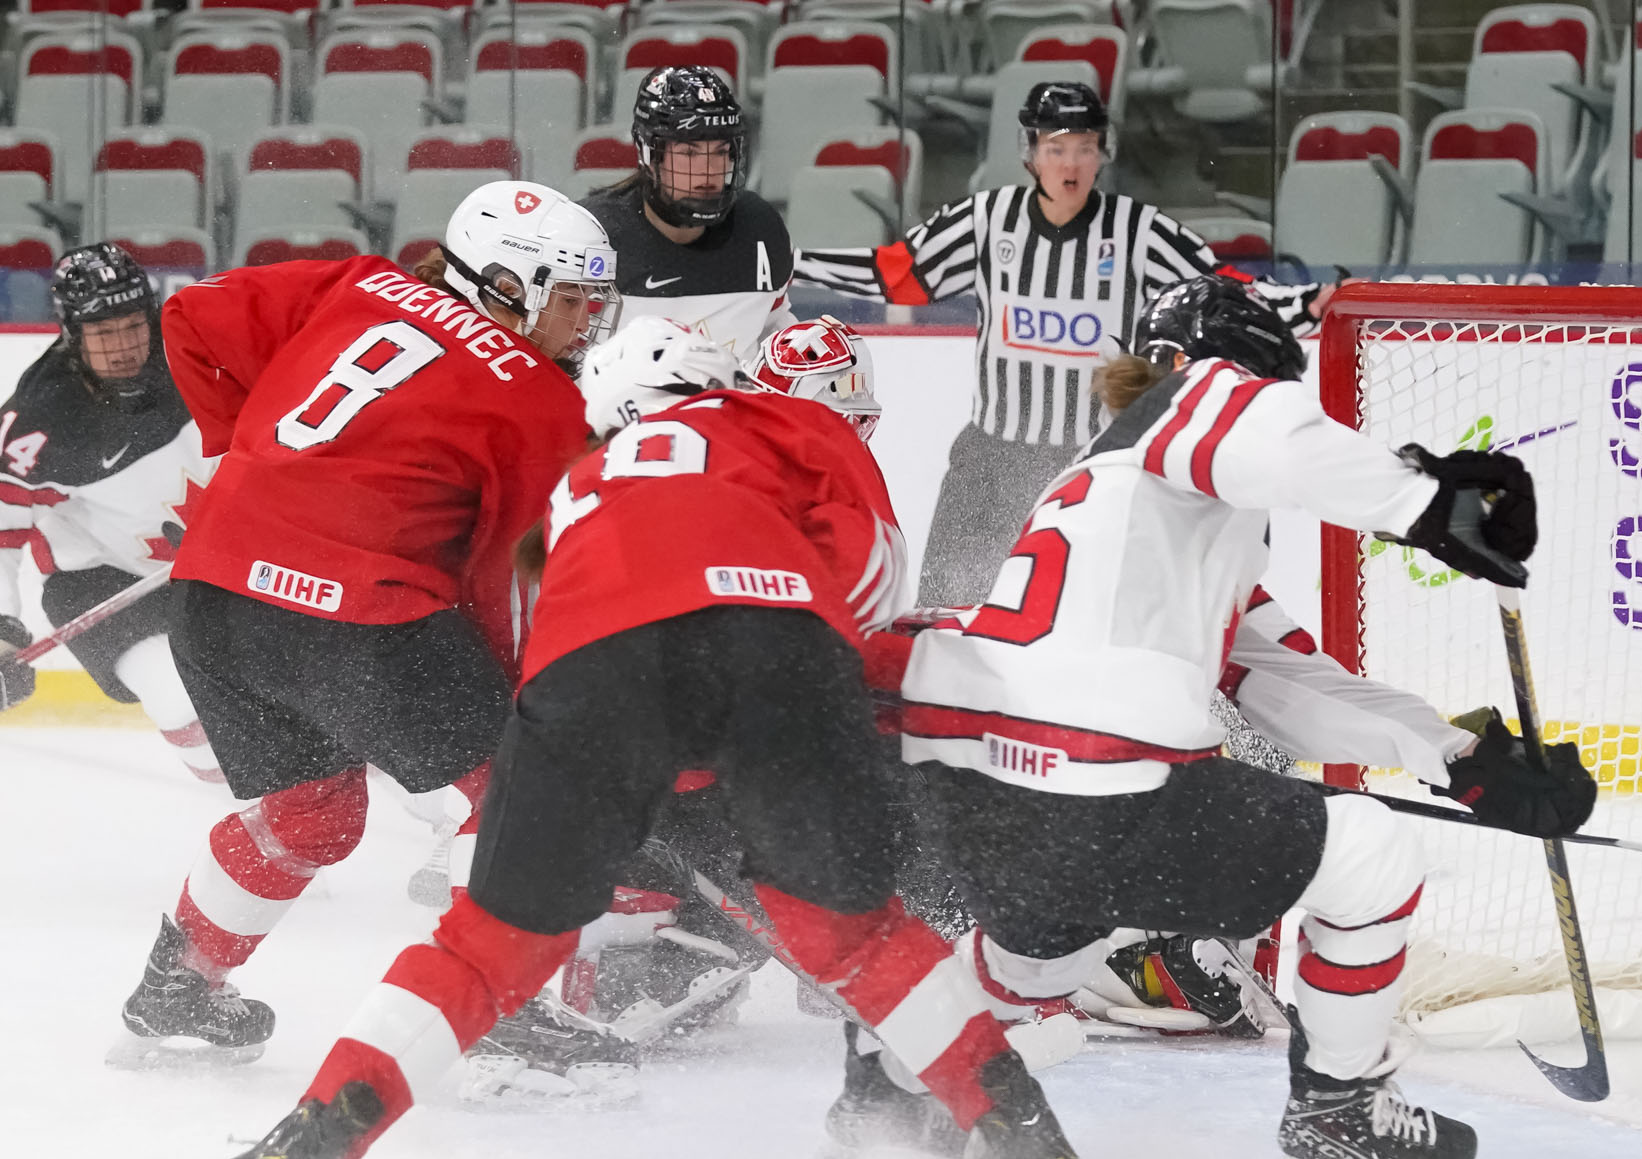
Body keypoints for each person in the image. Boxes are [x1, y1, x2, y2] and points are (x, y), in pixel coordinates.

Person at [178, 317, 1088, 1159]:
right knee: (856, 938)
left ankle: (304, 1137)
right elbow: (870, 582)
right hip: (771, 660)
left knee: (482, 950)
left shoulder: (573, 485)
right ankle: (1017, 1125)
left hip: (594, 691)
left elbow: (535, 645)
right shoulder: (783, 423)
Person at [868, 276, 1597, 1159]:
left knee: (1042, 948)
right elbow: (1256, 424)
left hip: (985, 790)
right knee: (1372, 854)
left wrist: (1454, 755)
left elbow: (1282, 678)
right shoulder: (1183, 404)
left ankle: (894, 1089)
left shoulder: (1126, 507)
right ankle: (1341, 1107)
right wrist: (1434, 506)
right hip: (1090, 779)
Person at [113, 182, 618, 1066]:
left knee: (310, 813)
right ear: (507, 285)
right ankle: (496, 1005)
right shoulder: (539, 401)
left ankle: (179, 983)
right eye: (572, 298)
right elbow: (499, 584)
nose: (586, 322)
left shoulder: (356, 284)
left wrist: (258, 469)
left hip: (213, 595)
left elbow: (191, 318)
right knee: (518, 786)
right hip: (353, 618)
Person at [467, 315, 892, 1095]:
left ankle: (627, 944)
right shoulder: (765, 473)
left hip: (583, 758)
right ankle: (587, 961)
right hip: (680, 770)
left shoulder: (585, 485)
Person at [795, 80, 1342, 606]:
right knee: (946, 607)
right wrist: (793, 263)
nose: (1071, 163)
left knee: (1090, 609)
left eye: (1085, 148)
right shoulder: (986, 221)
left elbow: (1220, 290)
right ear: (1030, 153)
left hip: (1093, 461)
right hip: (990, 458)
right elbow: (900, 274)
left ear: (1104, 153)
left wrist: (1304, 304)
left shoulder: (1139, 231)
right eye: (1056, 148)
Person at [0, 244, 221, 782]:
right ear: (74, 335)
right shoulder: (38, 421)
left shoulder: (203, 351)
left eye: (131, 327)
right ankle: (239, 797)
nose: (122, 347)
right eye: (102, 334)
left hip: (224, 563)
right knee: (177, 696)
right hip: (101, 581)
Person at [579, 67, 794, 361]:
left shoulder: (760, 229)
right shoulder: (591, 235)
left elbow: (775, 339)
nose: (709, 170)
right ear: (648, 154)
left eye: (720, 152)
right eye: (689, 153)